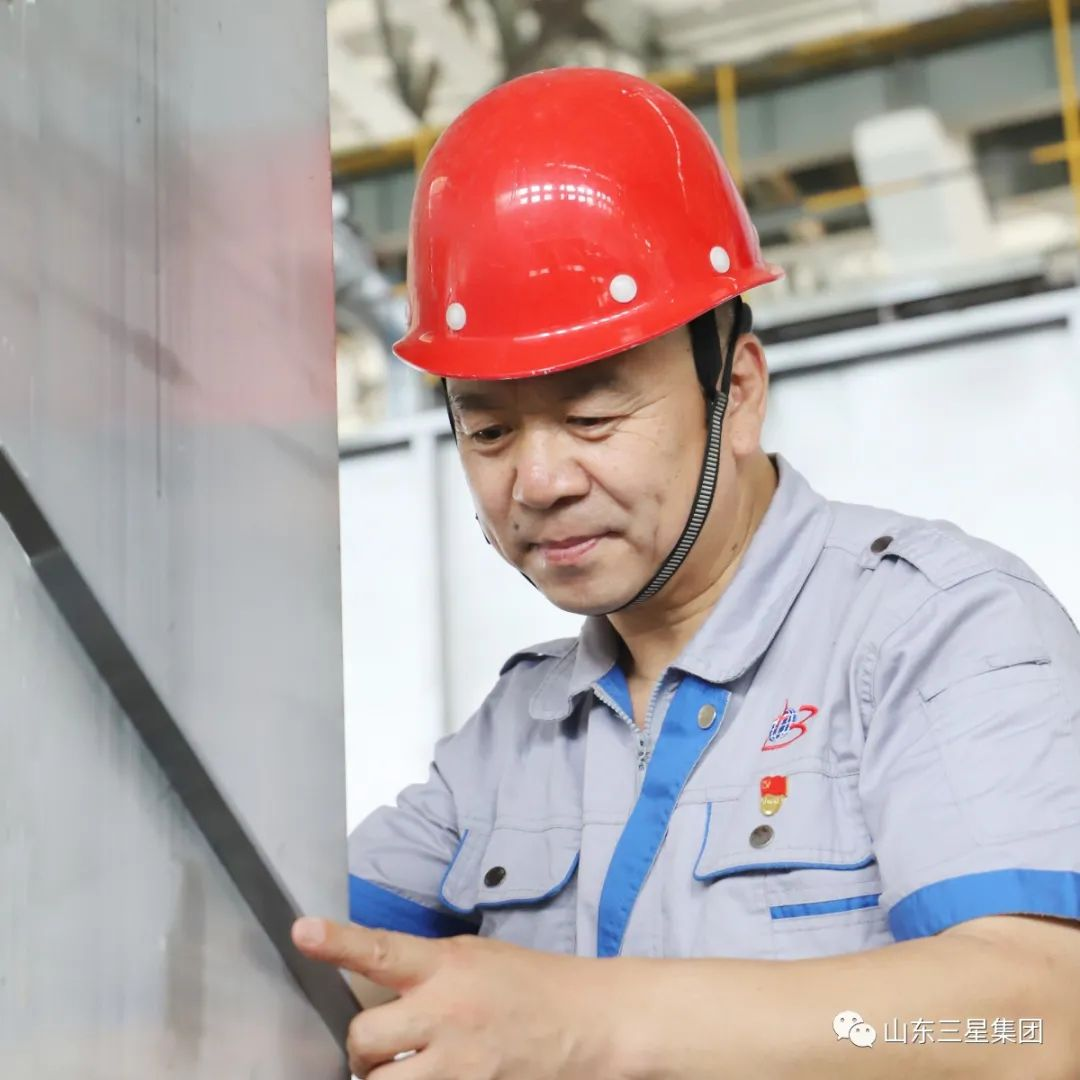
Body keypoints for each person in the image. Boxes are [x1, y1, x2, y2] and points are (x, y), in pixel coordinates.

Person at [293, 67, 1080, 1078]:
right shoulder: (512, 739)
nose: (538, 482)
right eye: (488, 431)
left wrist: (588, 1024)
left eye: (592, 416)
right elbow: (305, 968)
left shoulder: (938, 634)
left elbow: (1033, 1025)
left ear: (736, 392)